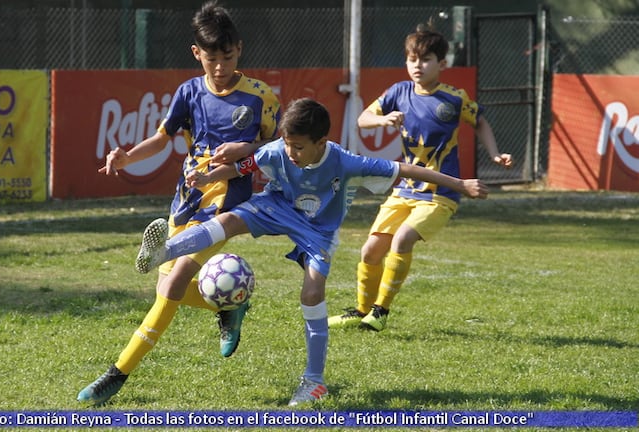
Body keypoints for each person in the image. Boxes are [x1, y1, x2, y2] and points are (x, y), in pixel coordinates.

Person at [134, 97, 489, 406]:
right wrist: (209, 178)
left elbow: (406, 169)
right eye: (288, 144)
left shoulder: (347, 163)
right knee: (227, 220)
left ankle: (314, 381)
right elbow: (243, 166)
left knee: (313, 289)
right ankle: (164, 251)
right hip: (276, 206)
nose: (291, 152)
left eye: (299, 147)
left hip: (318, 230)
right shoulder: (278, 150)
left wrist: (460, 184)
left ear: (322, 142)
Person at [77, 1, 281, 406]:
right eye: (211, 59)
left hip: (226, 207)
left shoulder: (260, 96)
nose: (220, 67)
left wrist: (249, 146)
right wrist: (126, 156)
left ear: (239, 49)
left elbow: (277, 147)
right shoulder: (189, 92)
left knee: (170, 284)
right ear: (196, 54)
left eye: (227, 57)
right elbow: (161, 139)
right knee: (166, 287)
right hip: (186, 203)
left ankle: (117, 373)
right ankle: (229, 307)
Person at [328, 24, 513, 331]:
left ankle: (380, 312)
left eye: (426, 59)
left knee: (402, 239)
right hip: (405, 189)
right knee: (370, 249)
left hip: (441, 193)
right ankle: (361, 311)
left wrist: (494, 154)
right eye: (412, 59)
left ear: (442, 64)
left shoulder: (454, 99)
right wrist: (383, 119)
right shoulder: (398, 92)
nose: (417, 65)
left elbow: (479, 121)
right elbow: (363, 119)